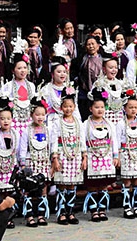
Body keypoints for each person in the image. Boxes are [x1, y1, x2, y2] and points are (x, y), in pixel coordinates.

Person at [83, 86, 119, 222]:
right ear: (90, 108)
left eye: (102, 107)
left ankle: (102, 209)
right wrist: (84, 157)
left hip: (106, 157)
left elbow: (114, 140)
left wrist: (115, 156)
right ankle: (94, 211)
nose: (100, 110)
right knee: (92, 185)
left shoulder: (109, 124)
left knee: (104, 184)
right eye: (96, 107)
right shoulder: (86, 124)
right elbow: (83, 141)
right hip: (92, 157)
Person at [50, 87, 85, 225]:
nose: (68, 109)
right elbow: (54, 140)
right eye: (65, 106)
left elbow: (82, 140)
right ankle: (61, 213)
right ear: (61, 107)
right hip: (62, 155)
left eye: (70, 106)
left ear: (74, 107)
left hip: (75, 155)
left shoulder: (78, 122)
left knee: (72, 185)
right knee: (62, 184)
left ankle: (70, 212)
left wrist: (84, 157)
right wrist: (55, 159)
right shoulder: (57, 122)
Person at [18, 97, 51, 227]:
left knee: (43, 188)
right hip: (30, 161)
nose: (40, 117)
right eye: (37, 114)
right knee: (29, 189)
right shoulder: (27, 130)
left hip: (43, 161)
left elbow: (50, 146)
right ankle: (29, 216)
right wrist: (23, 164)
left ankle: (41, 215)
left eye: (43, 114)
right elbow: (22, 148)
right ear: (31, 115)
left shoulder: (47, 129)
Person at [116, 81, 137, 219]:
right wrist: (117, 155)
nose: (133, 110)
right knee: (127, 181)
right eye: (130, 107)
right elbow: (117, 140)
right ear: (124, 108)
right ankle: (127, 207)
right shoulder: (121, 123)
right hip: (126, 153)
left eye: (135, 107)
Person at [0, 102, 19, 229]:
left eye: (8, 118)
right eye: (2, 119)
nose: (5, 121)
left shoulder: (15, 134)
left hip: (11, 164)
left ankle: (10, 216)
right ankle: (1, 217)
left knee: (10, 190)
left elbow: (17, 150)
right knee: (0, 192)